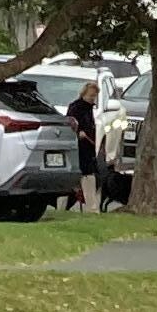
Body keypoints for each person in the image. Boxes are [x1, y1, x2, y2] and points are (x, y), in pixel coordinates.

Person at [71, 76, 102, 212]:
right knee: (85, 176)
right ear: (84, 94)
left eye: (94, 96)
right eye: (91, 96)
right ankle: (91, 208)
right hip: (79, 147)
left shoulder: (89, 108)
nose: (93, 98)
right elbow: (71, 124)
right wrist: (79, 132)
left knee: (89, 176)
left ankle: (92, 207)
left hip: (88, 147)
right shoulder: (75, 107)